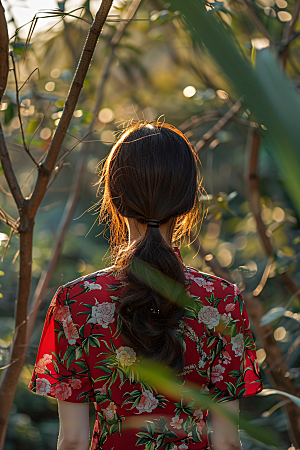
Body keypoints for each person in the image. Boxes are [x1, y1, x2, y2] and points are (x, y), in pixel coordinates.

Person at [29, 122, 263, 450]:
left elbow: (73, 441)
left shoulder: (77, 301)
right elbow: (227, 441)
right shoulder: (221, 300)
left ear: (114, 197)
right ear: (188, 200)